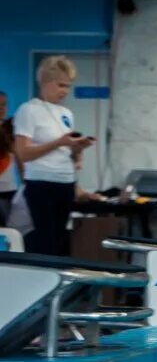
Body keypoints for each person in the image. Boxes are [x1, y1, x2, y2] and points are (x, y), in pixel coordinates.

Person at [12, 56, 104, 256]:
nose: (65, 91)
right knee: (47, 241)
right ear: (45, 81)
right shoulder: (29, 110)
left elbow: (67, 151)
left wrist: (79, 147)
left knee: (62, 240)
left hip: (65, 182)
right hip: (41, 183)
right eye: (60, 85)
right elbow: (24, 153)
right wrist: (59, 142)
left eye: (68, 86)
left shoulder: (66, 113)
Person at [0, 90, 21, 227]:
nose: (2, 108)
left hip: (10, 189)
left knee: (10, 230)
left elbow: (19, 156)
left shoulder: (11, 128)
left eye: (4, 105)